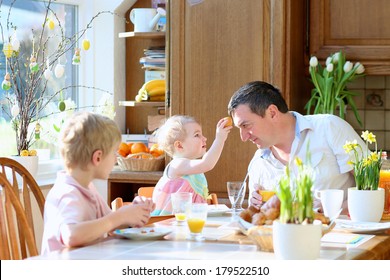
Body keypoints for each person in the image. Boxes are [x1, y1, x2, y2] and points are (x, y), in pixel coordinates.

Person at [227, 81, 367, 213]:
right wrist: (257, 207)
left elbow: (376, 186)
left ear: (272, 113)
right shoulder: (258, 162)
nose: (243, 137)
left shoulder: (329, 128)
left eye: (246, 126)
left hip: (343, 236)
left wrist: (332, 210)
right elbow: (261, 218)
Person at [41, 112, 155, 254]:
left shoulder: (87, 188)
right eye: (114, 153)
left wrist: (133, 213)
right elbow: (71, 235)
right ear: (98, 157)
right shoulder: (67, 193)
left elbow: (109, 224)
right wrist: (119, 216)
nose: (115, 160)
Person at [152, 115, 232, 215]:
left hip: (189, 223)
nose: (204, 138)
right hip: (168, 225)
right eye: (197, 135)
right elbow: (207, 163)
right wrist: (219, 139)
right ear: (179, 145)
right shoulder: (177, 165)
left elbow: (207, 161)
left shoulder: (192, 167)